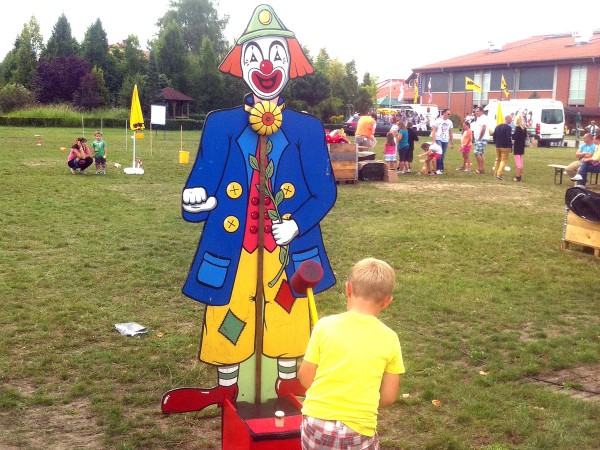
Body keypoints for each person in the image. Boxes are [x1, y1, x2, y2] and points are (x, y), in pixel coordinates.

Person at [161, 4, 337, 414]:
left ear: (289, 64)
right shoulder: (220, 124)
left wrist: (296, 226)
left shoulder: (307, 128)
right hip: (230, 245)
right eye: (255, 55)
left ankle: (288, 376)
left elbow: (324, 193)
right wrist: (196, 201)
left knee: (287, 312)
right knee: (229, 308)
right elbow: (201, 183)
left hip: (289, 249)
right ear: (241, 64)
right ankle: (225, 388)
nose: (266, 65)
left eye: (276, 54)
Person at [299, 258, 404, 450]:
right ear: (387, 302)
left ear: (348, 289)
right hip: (358, 429)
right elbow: (388, 397)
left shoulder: (325, 326)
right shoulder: (390, 338)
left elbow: (305, 377)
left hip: (317, 423)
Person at [430, 108, 454, 174]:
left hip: (445, 139)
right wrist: (434, 141)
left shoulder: (449, 122)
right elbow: (434, 131)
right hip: (438, 138)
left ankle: (440, 167)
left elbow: (451, 132)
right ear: (444, 113)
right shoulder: (438, 121)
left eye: (450, 114)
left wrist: (452, 142)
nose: (449, 115)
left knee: (443, 154)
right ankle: (437, 168)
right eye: (448, 114)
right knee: (439, 153)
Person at [492, 115, 513, 180]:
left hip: (498, 145)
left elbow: (494, 136)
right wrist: (510, 146)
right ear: (507, 119)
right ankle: (499, 174)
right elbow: (508, 137)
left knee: (497, 159)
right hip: (505, 146)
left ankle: (495, 173)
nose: (511, 121)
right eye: (511, 119)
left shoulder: (497, 126)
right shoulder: (508, 127)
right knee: (504, 160)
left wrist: (496, 142)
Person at [471, 106, 489, 174]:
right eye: (475, 111)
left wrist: (479, 138)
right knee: (481, 153)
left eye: (477, 111)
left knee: (477, 152)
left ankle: (480, 169)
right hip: (479, 139)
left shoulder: (483, 118)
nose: (476, 112)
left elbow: (483, 128)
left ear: (481, 111)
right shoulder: (479, 118)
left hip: (481, 139)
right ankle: (482, 169)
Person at [512, 115, 527, 181]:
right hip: (522, 146)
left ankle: (517, 176)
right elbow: (525, 137)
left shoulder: (518, 128)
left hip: (517, 146)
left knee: (518, 162)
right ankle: (519, 175)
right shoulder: (524, 128)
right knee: (520, 161)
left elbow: (514, 137)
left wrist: (512, 134)